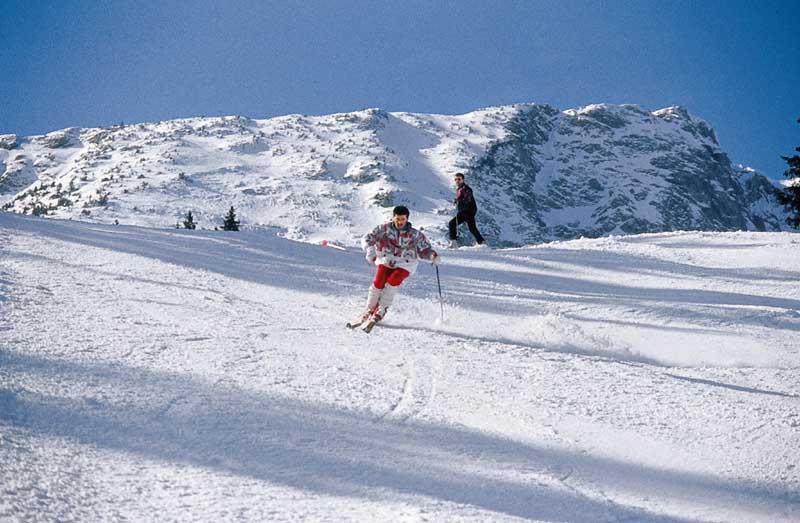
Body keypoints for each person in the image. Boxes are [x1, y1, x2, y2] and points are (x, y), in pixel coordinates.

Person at [350, 205, 440, 330]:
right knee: (379, 281)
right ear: (393, 217)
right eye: (397, 219)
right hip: (386, 260)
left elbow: (424, 249)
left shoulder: (415, 235)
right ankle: (369, 309)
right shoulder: (384, 229)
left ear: (407, 219)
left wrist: (432, 256)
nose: (399, 222)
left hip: (405, 263)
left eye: (402, 219)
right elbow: (367, 238)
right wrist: (369, 249)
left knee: (393, 280)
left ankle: (381, 309)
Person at [448, 172, 485, 247]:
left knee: (472, 227)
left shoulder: (467, 189)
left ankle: (482, 243)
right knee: (452, 224)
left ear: (463, 180)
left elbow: (467, 199)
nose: (457, 181)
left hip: (468, 211)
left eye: (459, 179)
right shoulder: (459, 189)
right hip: (462, 211)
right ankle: (454, 243)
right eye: (456, 179)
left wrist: (458, 200)